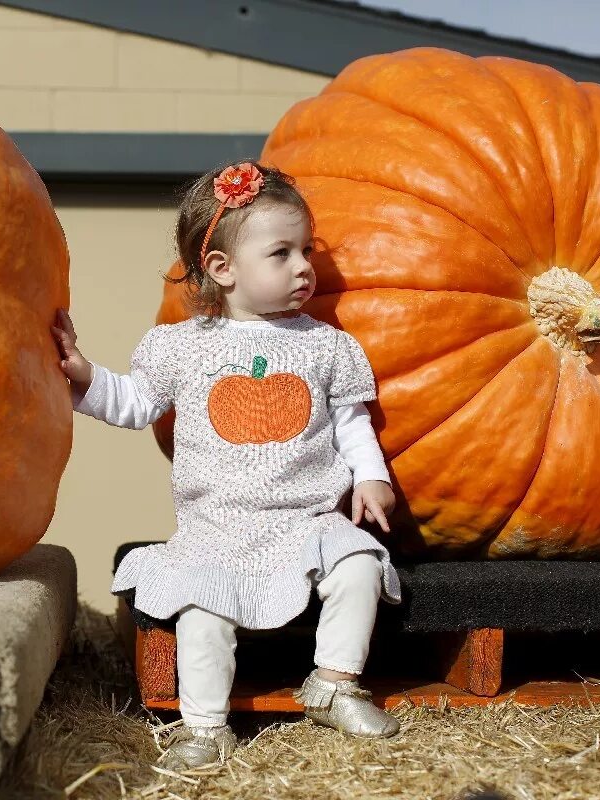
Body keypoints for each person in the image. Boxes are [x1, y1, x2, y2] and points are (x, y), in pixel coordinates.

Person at [50, 160, 403, 770]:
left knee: (360, 567)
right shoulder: (182, 345)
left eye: (307, 250)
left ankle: (333, 683)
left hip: (307, 522)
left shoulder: (327, 346)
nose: (302, 267)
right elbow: (134, 404)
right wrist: (85, 373)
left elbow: (352, 424)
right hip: (217, 527)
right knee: (201, 611)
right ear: (222, 269)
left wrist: (372, 476)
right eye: (282, 253)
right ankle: (205, 726)